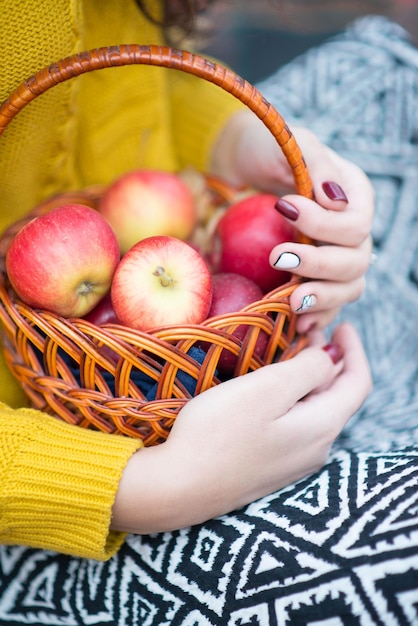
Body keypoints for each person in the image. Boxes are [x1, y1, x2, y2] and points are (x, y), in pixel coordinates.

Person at [0, 0, 373, 602]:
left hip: (184, 334)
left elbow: (130, 68)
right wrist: (149, 489)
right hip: (46, 503)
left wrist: (241, 142)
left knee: (389, 73)